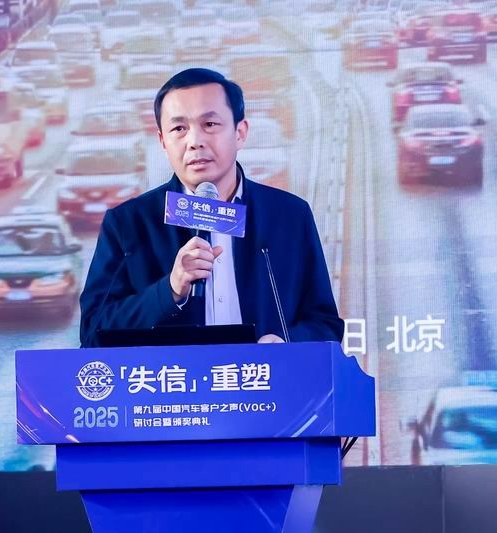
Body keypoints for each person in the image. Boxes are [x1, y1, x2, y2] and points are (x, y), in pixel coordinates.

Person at [79, 68, 343, 347]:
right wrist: (170, 290)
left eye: (210, 124)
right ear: (162, 142)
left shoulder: (288, 216)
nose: (195, 142)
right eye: (179, 129)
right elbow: (93, 332)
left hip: (264, 374)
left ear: (240, 133)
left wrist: (285, 342)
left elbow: (325, 324)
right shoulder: (129, 224)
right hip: (174, 375)